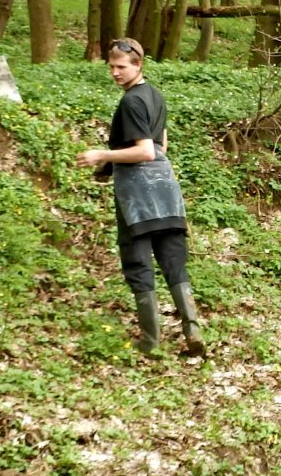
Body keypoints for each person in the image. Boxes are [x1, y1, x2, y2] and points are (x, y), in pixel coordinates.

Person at [74, 38, 205, 356]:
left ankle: (150, 342)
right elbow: (162, 146)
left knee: (138, 261)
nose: (115, 72)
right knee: (174, 261)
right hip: (167, 191)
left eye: (121, 67)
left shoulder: (132, 101)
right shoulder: (155, 96)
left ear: (138, 65)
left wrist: (100, 154)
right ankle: (193, 331)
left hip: (137, 197)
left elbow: (145, 151)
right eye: (111, 66)